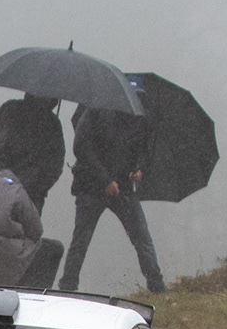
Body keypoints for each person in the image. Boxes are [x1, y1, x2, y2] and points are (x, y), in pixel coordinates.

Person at [57, 105, 164, 294]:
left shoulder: (140, 120)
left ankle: (157, 286)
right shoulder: (95, 110)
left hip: (120, 188)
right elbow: (80, 146)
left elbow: (143, 151)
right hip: (90, 187)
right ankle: (68, 287)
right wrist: (105, 179)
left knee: (141, 236)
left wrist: (140, 169)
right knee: (81, 240)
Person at [0, 92, 65, 213]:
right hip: (28, 195)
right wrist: (29, 185)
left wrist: (1, 179)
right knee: (22, 230)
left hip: (3, 188)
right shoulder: (52, 123)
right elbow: (54, 166)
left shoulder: (8, 109)